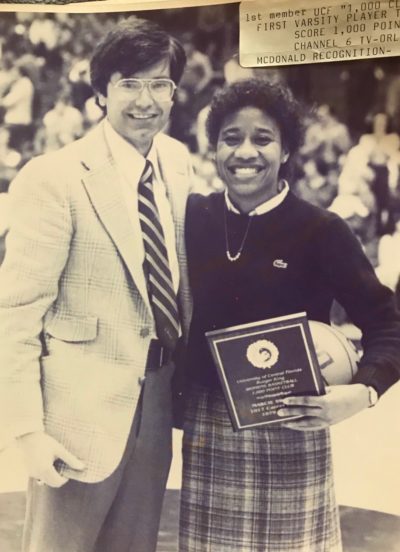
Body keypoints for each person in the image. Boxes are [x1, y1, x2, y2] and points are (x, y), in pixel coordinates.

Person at [179, 79, 400, 552]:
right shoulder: (191, 217)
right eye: (231, 137)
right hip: (209, 429)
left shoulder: (320, 230)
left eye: (263, 138)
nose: (245, 151)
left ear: (286, 151)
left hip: (293, 425)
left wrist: (363, 393)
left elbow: (387, 322)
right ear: (214, 148)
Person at [0, 16, 192, 552]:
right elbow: (14, 313)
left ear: (174, 92)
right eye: (129, 83)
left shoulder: (177, 164)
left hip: (154, 402)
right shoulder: (53, 177)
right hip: (74, 415)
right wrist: (26, 431)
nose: (145, 100)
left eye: (160, 84)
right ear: (102, 92)